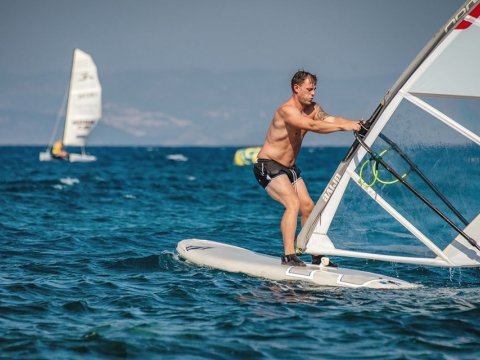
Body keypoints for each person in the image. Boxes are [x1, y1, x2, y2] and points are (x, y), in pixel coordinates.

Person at [253, 70, 362, 267]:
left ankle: (314, 254)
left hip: (290, 168)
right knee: (292, 204)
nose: (313, 93)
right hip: (268, 166)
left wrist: (356, 124)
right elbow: (314, 126)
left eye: (315, 89)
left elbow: (330, 120)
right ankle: (288, 255)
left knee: (308, 207)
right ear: (297, 88)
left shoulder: (313, 108)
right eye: (309, 89)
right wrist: (346, 127)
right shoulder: (286, 111)